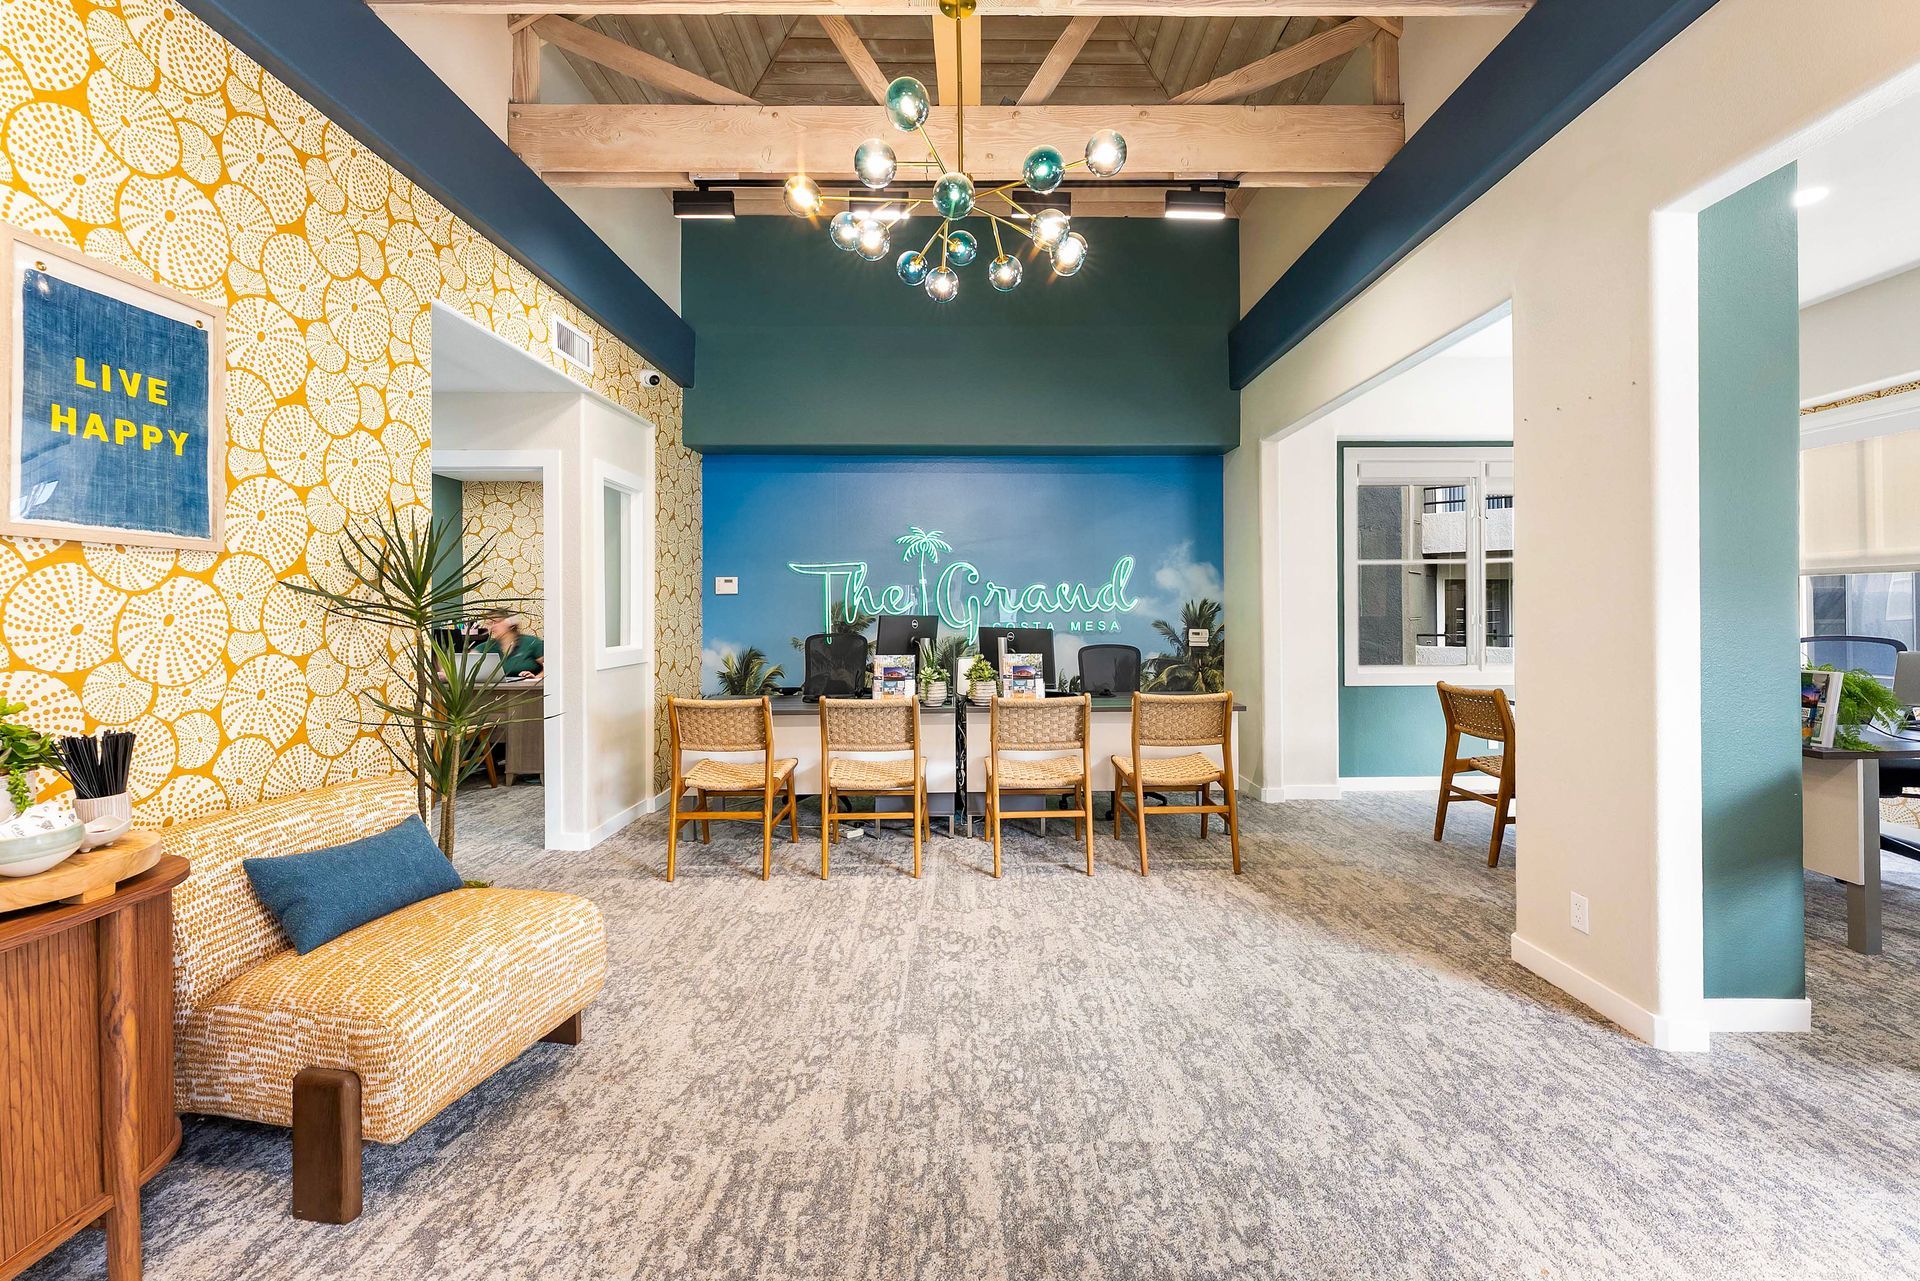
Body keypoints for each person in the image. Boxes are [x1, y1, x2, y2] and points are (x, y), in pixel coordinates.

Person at [477, 611, 544, 680]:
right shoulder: (485, 647)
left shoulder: (531, 642)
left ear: (510, 622)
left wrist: (535, 678)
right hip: (494, 689)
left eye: (496, 622)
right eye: (489, 624)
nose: (492, 626)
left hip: (527, 688)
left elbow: (550, 668)